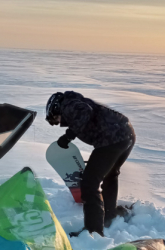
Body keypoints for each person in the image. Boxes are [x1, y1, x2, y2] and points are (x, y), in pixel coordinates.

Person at [45, 91, 136, 236]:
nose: (59, 122)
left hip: (112, 140)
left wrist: (68, 136)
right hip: (127, 135)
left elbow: (85, 112)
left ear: (56, 108)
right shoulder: (74, 102)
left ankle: (92, 231)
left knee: (89, 183)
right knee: (110, 175)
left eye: (56, 119)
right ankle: (110, 214)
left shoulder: (68, 105)